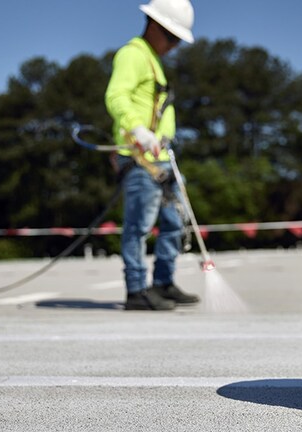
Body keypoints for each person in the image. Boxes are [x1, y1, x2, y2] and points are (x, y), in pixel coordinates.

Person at [105, 0, 200, 311]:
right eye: (171, 38)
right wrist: (137, 130)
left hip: (162, 157)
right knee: (139, 225)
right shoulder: (132, 55)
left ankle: (163, 283)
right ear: (154, 26)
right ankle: (136, 290)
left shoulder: (154, 62)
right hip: (139, 156)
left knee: (175, 220)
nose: (173, 46)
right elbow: (116, 95)